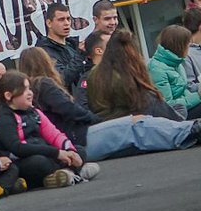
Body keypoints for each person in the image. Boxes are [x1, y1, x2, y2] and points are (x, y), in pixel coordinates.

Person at [85, 30, 201, 159]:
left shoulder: (94, 74)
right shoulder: (125, 73)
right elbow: (143, 102)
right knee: (156, 102)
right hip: (133, 124)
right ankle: (185, 126)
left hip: (108, 127)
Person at [0, 71, 90, 189]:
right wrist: (57, 153)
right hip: (18, 161)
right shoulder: (3, 119)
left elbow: (54, 135)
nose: (30, 93)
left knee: (79, 150)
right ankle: (73, 172)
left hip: (43, 153)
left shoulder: (35, 112)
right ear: (8, 96)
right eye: (24, 90)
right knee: (39, 162)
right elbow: (18, 148)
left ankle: (66, 174)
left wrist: (69, 150)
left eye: (29, 88)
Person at [147, 24, 200, 118]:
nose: (189, 48)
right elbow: (167, 105)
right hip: (175, 114)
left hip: (185, 107)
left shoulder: (176, 63)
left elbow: (184, 90)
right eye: (187, 45)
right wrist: (198, 96)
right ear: (180, 46)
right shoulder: (156, 69)